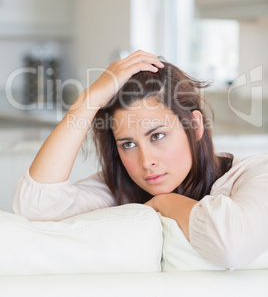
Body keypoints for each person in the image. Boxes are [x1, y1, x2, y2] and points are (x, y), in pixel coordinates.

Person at [13, 50, 268, 270]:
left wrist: (165, 202)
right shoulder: (120, 186)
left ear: (195, 124)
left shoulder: (255, 173)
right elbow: (36, 207)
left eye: (157, 135)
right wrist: (87, 101)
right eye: (128, 144)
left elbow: (232, 246)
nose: (146, 161)